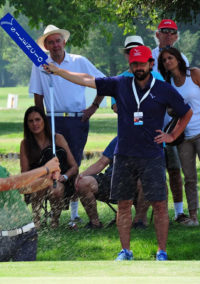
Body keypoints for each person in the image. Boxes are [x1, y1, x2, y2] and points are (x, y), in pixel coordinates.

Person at [43, 45, 193, 261]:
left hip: (152, 156)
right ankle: (126, 251)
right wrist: (58, 72)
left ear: (151, 64)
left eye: (142, 63)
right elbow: (87, 79)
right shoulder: (120, 84)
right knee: (123, 205)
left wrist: (172, 136)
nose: (138, 67)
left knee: (160, 205)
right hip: (123, 156)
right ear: (130, 66)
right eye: (134, 63)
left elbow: (186, 113)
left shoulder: (163, 89)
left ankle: (161, 251)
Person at [29, 24, 105, 222]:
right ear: (45, 46)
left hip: (76, 119)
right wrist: (41, 121)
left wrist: (94, 107)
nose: (55, 45)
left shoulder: (78, 61)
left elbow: (103, 82)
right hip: (52, 119)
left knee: (74, 162)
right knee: (56, 163)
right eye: (50, 42)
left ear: (64, 42)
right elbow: (38, 95)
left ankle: (73, 215)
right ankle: (55, 212)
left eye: (58, 41)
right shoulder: (39, 64)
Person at [152, 19, 189, 223]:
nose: (168, 35)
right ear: (157, 34)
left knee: (175, 170)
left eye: (172, 32)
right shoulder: (147, 55)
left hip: (173, 123)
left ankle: (179, 212)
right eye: (164, 31)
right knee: (154, 171)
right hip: (153, 122)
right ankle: (159, 213)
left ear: (176, 36)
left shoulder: (181, 57)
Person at [159, 47, 200, 226]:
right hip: (184, 136)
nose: (168, 61)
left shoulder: (194, 74)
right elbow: (170, 109)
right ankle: (193, 217)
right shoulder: (168, 84)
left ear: (178, 58)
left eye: (170, 57)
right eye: (164, 60)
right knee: (189, 178)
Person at [20, 106, 78, 228]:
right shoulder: (25, 144)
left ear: (44, 121)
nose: (35, 124)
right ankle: (36, 220)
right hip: (36, 180)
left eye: (37, 119)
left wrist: (65, 176)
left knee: (56, 190)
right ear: (27, 124)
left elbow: (74, 167)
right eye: (30, 121)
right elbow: (24, 173)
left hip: (57, 181)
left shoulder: (57, 139)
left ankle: (54, 220)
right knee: (40, 185)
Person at [75, 137, 150, 229]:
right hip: (112, 181)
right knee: (83, 183)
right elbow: (101, 163)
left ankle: (139, 221)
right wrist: (80, 176)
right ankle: (95, 223)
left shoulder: (150, 141)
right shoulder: (119, 139)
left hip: (136, 185)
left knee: (146, 181)